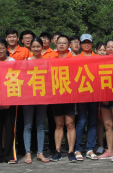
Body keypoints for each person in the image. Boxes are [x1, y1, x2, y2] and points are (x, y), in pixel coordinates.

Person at [49, 35, 77, 163]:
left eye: (64, 43)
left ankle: (71, 152)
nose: (61, 45)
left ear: (68, 45)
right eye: (59, 43)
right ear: (56, 44)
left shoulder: (74, 59)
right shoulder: (50, 58)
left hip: (70, 95)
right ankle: (58, 151)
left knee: (70, 124)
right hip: (56, 96)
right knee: (59, 125)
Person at [0, 38, 17, 164]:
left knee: (10, 128)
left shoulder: (13, 62)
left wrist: (10, 100)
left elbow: (16, 82)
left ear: (6, 49)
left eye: (2, 48)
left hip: (10, 99)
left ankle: (9, 155)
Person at [23, 38, 49, 163]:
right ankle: (28, 153)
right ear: (30, 48)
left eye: (38, 46)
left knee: (41, 126)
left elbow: (49, 80)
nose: (36, 49)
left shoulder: (47, 62)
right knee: (28, 125)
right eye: (33, 46)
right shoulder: (26, 62)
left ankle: (40, 152)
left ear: (42, 47)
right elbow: (22, 78)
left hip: (42, 96)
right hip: (28, 97)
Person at [74, 34, 99, 161]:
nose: (86, 44)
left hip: (95, 95)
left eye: (88, 42)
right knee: (81, 122)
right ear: (80, 44)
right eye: (84, 42)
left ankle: (90, 149)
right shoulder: (76, 59)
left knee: (93, 122)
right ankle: (77, 149)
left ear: (92, 44)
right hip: (81, 95)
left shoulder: (98, 58)